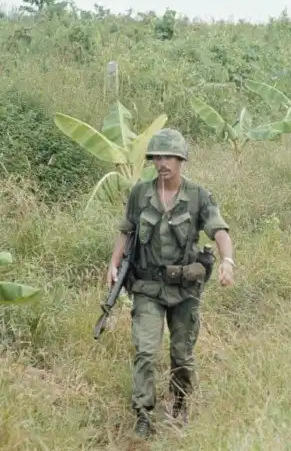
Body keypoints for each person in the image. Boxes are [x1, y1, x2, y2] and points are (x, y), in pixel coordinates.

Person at [107, 128, 235, 439]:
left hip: (184, 289)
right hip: (147, 288)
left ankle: (180, 404)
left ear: (181, 160)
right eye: (156, 157)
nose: (161, 163)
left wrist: (227, 261)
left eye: (168, 157)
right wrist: (113, 263)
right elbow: (126, 230)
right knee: (146, 352)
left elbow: (219, 230)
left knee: (181, 354)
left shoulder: (198, 196)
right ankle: (143, 414)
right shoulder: (140, 193)